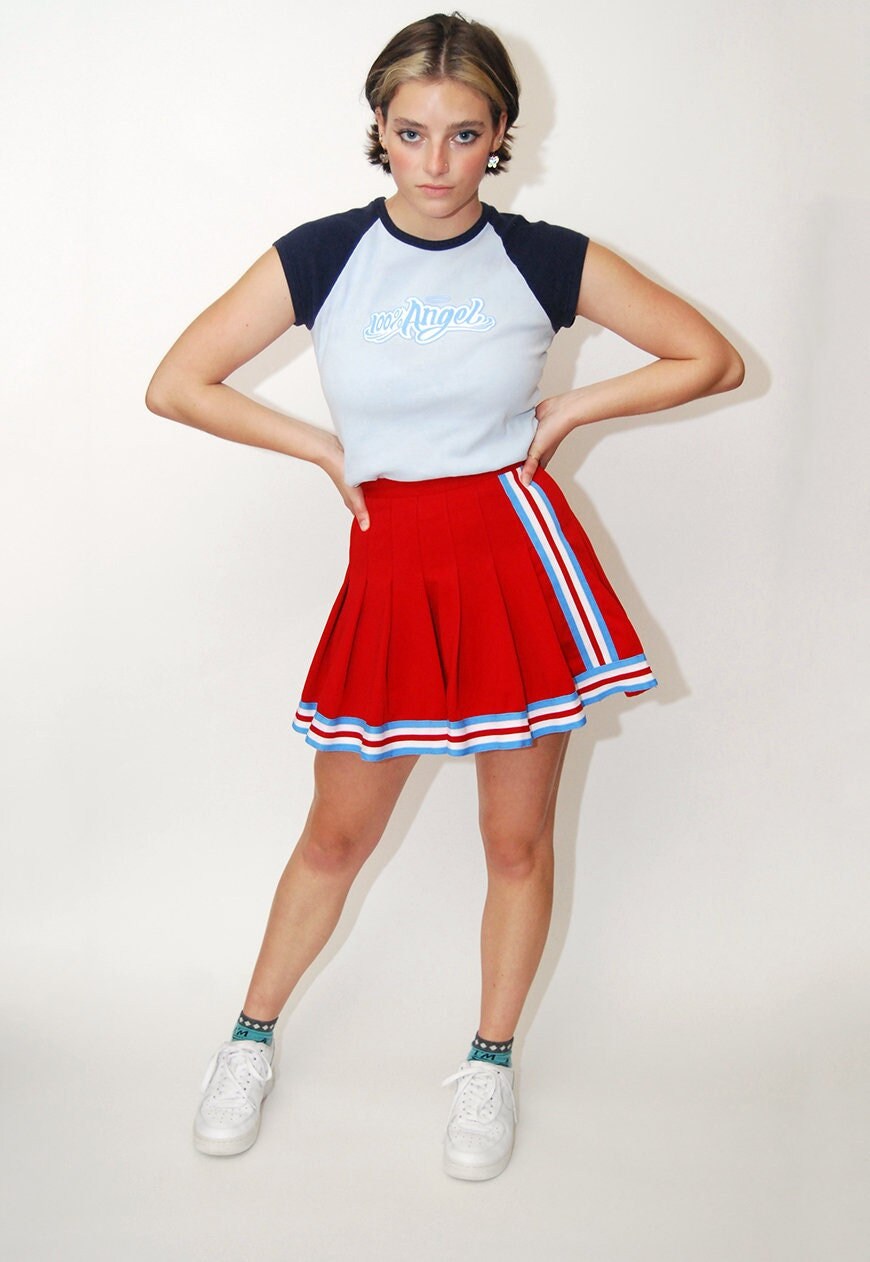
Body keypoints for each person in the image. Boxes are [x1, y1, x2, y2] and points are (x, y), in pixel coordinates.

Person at [145, 12, 744, 1181]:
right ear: (378, 129)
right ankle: (250, 1037)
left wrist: (574, 408)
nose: (435, 162)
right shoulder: (322, 255)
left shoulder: (542, 257)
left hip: (518, 558)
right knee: (336, 834)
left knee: (515, 841)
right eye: (411, 132)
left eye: (463, 134)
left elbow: (707, 357)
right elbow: (177, 383)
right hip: (394, 564)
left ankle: (489, 1059)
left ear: (501, 133)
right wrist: (323, 449)